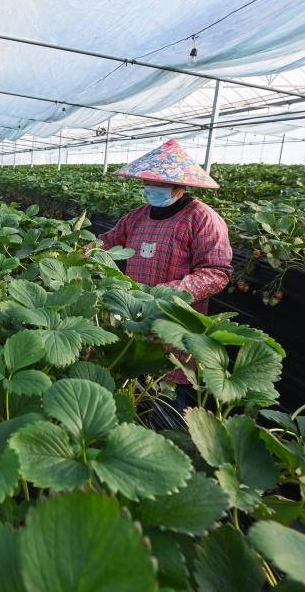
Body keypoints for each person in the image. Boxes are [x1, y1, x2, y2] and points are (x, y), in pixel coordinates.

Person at [95, 139, 233, 409]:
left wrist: (170, 293)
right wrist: (81, 251)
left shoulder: (202, 218)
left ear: (180, 185)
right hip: (135, 314)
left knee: (167, 391)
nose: (151, 187)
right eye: (148, 181)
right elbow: (108, 240)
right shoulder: (138, 215)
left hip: (175, 322)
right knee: (131, 380)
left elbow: (217, 272)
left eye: (159, 182)